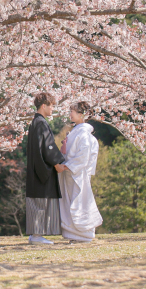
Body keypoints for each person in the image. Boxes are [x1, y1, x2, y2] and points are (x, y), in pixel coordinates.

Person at [26, 92, 67, 245]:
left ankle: (34, 234)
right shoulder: (41, 123)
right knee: (41, 201)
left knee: (37, 200)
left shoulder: (35, 122)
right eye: (51, 106)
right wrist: (57, 164)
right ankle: (37, 236)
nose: (52, 110)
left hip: (35, 167)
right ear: (44, 106)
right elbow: (48, 147)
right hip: (41, 170)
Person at [58, 101, 102, 243]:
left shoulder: (83, 134)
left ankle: (84, 234)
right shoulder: (77, 131)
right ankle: (74, 234)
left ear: (82, 115)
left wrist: (65, 166)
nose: (70, 114)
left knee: (79, 203)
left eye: (73, 111)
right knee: (71, 203)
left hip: (77, 174)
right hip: (71, 173)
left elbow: (83, 157)